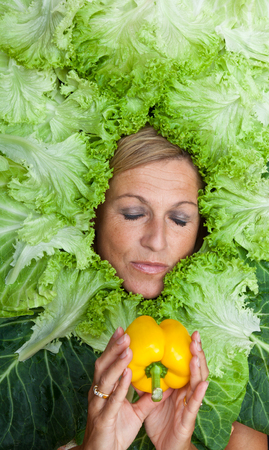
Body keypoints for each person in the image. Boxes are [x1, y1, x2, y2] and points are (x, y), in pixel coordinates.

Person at [59, 126, 267, 450]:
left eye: (180, 219)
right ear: (92, 217)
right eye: (133, 213)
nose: (156, 240)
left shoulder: (241, 437)